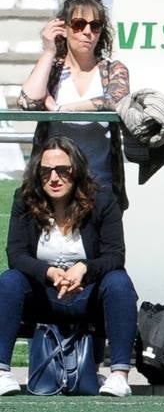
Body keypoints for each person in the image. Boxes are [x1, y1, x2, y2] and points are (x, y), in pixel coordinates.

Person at [0, 136, 138, 397]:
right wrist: (48, 272)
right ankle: (1, 372)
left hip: (86, 295)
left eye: (63, 170)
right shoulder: (25, 200)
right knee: (9, 280)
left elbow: (115, 255)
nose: (54, 178)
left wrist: (83, 269)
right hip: (44, 295)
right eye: (46, 171)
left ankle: (119, 375)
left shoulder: (103, 200)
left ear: (77, 169)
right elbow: (16, 254)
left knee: (119, 281)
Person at [18, 0, 130, 211]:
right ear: (65, 28)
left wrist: (61, 109)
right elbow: (28, 101)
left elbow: (116, 100)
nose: (87, 32)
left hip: (102, 185)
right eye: (79, 24)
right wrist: (49, 50)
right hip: (53, 187)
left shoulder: (112, 69)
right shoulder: (53, 69)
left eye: (95, 25)